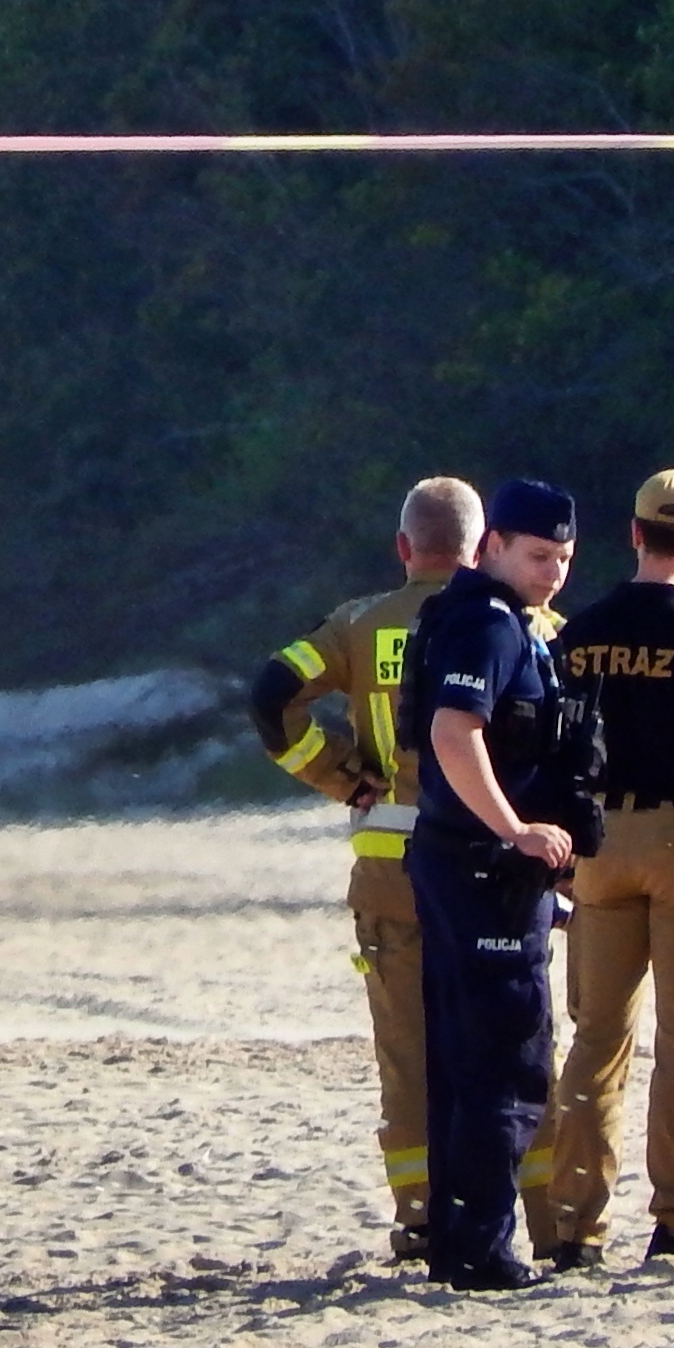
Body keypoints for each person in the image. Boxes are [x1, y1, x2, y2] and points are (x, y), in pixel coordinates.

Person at [251, 478, 484, 1253]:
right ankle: (523, 1205)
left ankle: (418, 1212)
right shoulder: (513, 621)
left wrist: (342, 774)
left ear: (403, 548)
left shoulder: (359, 624)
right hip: (487, 866)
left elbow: (271, 696)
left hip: (392, 862)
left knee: (408, 1049)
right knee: (501, 1038)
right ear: (481, 550)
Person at [534, 468, 674, 1270]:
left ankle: (576, 1221)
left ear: (636, 534)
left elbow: (549, 746)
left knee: (597, 1039)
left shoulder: (579, 632)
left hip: (601, 841)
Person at [401, 477, 591, 1292]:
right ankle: (481, 1247)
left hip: (460, 863)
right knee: (504, 1061)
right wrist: (515, 830)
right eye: (538, 555)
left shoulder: (492, 619)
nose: (553, 573)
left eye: (564, 559)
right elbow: (453, 731)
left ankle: (458, 1237)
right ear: (494, 548)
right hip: (480, 869)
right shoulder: (487, 625)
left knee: (460, 1058)